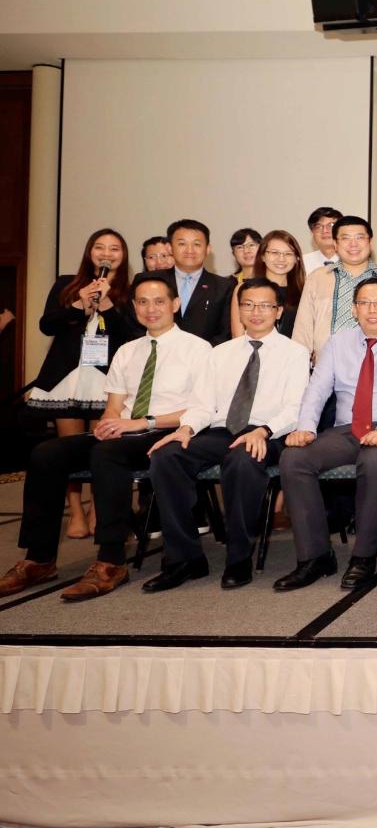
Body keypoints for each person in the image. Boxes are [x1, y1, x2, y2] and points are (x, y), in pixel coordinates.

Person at [0, 272, 213, 602]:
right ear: (135, 307)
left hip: (167, 431)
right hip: (125, 432)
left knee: (107, 454)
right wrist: (109, 423)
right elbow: (114, 406)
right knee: (47, 453)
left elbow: (201, 409)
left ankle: (112, 560)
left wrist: (140, 422)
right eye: (142, 302)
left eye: (159, 301)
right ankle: (38, 558)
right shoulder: (128, 350)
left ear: (175, 304)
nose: (151, 309)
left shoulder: (198, 349)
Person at [143, 279, 311, 592]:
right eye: (248, 305)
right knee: (167, 456)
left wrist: (264, 430)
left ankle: (238, 557)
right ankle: (184, 558)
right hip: (222, 430)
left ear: (278, 312)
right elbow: (203, 405)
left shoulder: (295, 353)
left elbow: (295, 408)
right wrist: (185, 428)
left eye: (264, 306)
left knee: (244, 460)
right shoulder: (220, 353)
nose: (256, 312)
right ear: (239, 310)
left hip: (270, 432)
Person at [276, 276, 377, 592]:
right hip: (346, 430)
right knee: (294, 459)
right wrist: (305, 428)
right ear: (354, 309)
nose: (373, 310)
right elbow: (317, 389)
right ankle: (315, 556)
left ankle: (363, 556)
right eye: (365, 303)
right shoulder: (337, 343)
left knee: (374, 460)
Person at [28, 229, 140, 540]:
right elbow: (46, 324)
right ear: (90, 252)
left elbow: (132, 335)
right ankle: (75, 510)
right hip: (68, 377)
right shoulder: (67, 284)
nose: (107, 253)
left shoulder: (130, 291)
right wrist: (79, 304)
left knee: (104, 446)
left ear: (123, 254)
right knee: (66, 448)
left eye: (115, 248)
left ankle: (97, 508)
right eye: (100, 247)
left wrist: (105, 305)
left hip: (107, 379)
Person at [292, 215, 377, 363]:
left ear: (370, 242)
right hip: (327, 367)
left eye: (360, 237)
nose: (353, 244)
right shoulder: (318, 278)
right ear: (335, 243)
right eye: (346, 238)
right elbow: (303, 329)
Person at [166, 219, 235, 346]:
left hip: (205, 359)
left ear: (208, 249)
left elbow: (225, 333)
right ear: (170, 248)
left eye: (197, 244)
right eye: (182, 244)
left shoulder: (224, 286)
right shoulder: (150, 281)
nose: (189, 250)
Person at [231, 229, 305, 339]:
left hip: (294, 354)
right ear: (262, 256)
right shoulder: (245, 289)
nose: (281, 259)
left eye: (288, 254)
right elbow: (238, 337)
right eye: (274, 253)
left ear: (297, 259)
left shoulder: (305, 291)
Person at [302, 207, 342, 275]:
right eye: (318, 227)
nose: (325, 231)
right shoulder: (302, 263)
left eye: (331, 225)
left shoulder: (354, 261)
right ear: (312, 232)